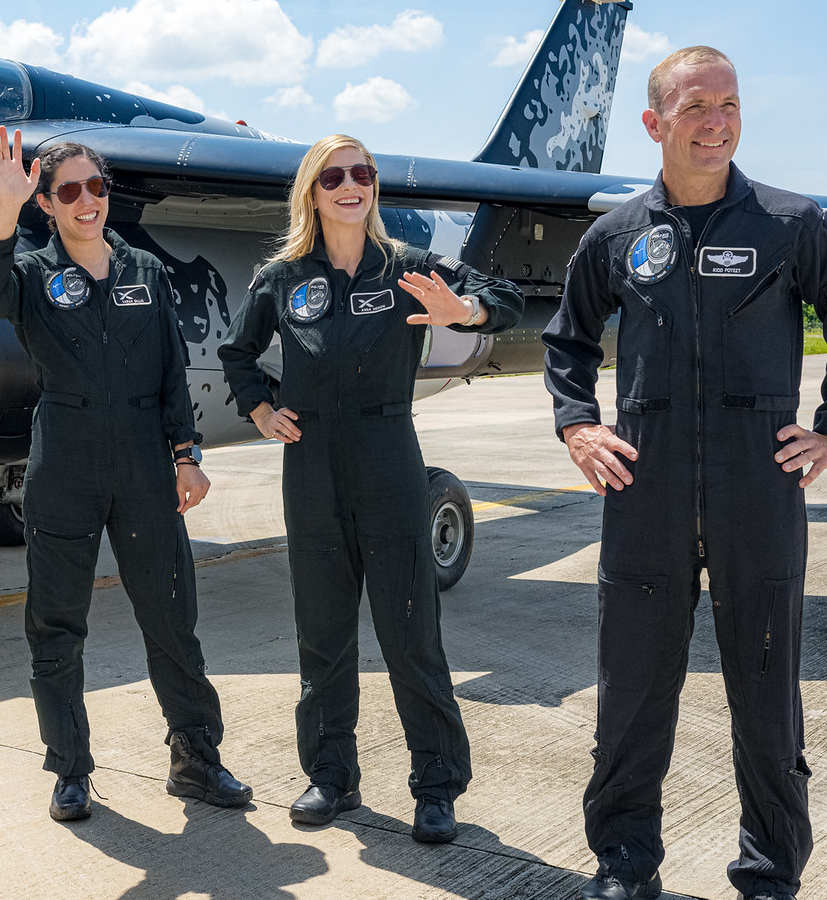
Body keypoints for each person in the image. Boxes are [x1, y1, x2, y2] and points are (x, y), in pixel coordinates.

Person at [541, 46, 827, 900]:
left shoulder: (791, 223)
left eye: (729, 104)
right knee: (631, 696)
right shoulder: (616, 234)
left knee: (766, 699)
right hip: (643, 490)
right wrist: (579, 426)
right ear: (656, 124)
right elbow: (567, 343)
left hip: (756, 490)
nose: (717, 121)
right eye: (697, 106)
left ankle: (769, 871)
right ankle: (625, 862)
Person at [219, 134, 523, 843]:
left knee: (410, 631)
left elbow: (502, 297)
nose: (351, 185)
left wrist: (464, 313)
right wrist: (261, 408)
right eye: (334, 176)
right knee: (322, 633)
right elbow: (237, 351)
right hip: (312, 461)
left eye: (363, 173)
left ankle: (437, 787)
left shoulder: (409, 268)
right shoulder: (283, 277)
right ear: (312, 192)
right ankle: (331, 777)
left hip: (388, 454)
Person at [0, 127, 252, 821]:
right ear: (49, 205)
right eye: (70, 191)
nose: (87, 200)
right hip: (65, 461)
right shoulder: (32, 274)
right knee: (56, 623)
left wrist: (187, 455)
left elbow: (170, 373)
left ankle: (196, 758)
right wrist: (4, 206)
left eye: (97, 187)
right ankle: (69, 768)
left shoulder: (144, 272)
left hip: (146, 465)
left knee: (172, 616)